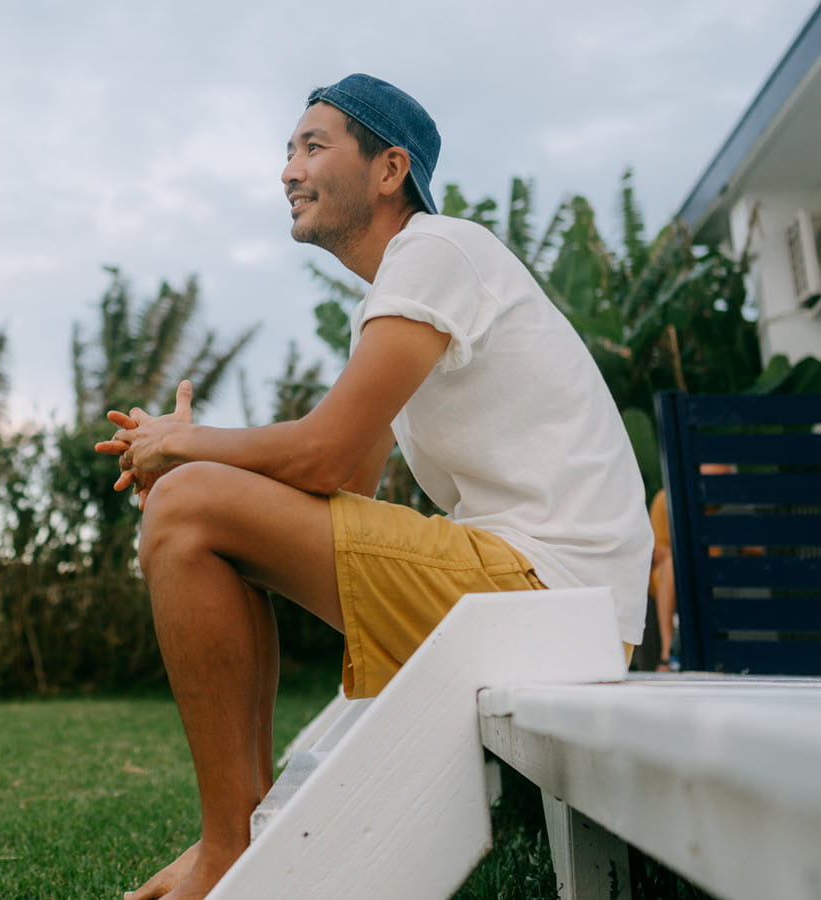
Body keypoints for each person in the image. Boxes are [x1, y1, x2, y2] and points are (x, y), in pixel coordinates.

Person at [95, 73, 653, 900]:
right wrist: (194, 456)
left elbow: (321, 460)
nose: (289, 168)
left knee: (188, 506)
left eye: (314, 146)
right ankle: (239, 839)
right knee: (197, 504)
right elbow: (347, 479)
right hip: (550, 599)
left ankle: (226, 851)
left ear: (390, 169)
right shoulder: (400, 297)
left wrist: (187, 452)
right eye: (287, 150)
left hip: (550, 595)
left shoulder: (436, 251)